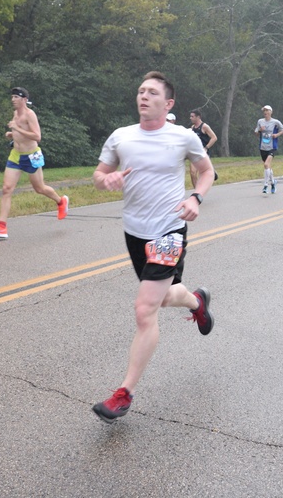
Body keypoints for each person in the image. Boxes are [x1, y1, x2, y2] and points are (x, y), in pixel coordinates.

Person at [91, 71, 216, 421]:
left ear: (169, 103)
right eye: (140, 91)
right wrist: (107, 179)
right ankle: (196, 302)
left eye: (152, 93)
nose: (143, 97)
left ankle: (124, 393)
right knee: (162, 297)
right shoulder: (121, 138)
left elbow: (207, 172)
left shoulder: (182, 137)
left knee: (145, 309)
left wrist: (196, 197)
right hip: (135, 232)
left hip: (168, 231)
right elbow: (98, 177)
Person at [0, 87, 68, 239]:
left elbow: (37, 136)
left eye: (16, 97)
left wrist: (16, 128)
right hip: (15, 155)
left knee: (39, 188)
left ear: (23, 99)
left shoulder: (30, 114)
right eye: (12, 97)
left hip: (31, 156)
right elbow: (20, 132)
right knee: (6, 189)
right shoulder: (15, 113)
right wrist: (12, 134)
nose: (12, 99)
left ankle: (61, 202)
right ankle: (1, 227)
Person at [255, 105, 283, 194]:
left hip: (272, 147)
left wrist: (277, 135)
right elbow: (256, 133)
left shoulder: (275, 122)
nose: (265, 112)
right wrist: (260, 130)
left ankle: (265, 185)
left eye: (267, 111)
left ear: (271, 112)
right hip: (263, 147)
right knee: (267, 166)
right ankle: (273, 182)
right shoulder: (260, 121)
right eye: (264, 111)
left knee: (266, 165)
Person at [189, 109, 219, 187]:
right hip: (194, 153)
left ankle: (211, 171)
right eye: (190, 116)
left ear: (198, 117)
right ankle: (196, 193)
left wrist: (206, 147)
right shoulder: (192, 127)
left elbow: (214, 138)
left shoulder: (204, 127)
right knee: (192, 173)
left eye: (192, 116)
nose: (190, 118)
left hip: (203, 153)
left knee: (202, 173)